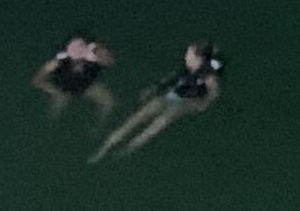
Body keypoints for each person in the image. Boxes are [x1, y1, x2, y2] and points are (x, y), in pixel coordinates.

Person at [90, 42, 222, 162]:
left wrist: (203, 104)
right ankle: (107, 145)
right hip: (169, 96)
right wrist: (153, 88)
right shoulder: (188, 67)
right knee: (138, 117)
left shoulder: (207, 75)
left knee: (157, 124)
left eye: (189, 54)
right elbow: (173, 78)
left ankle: (128, 149)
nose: (186, 56)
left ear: (198, 59)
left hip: (183, 102)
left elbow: (213, 92)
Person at [32, 35, 116, 120]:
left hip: (87, 86)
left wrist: (101, 53)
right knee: (54, 115)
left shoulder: (94, 52)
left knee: (109, 104)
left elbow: (109, 60)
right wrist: (53, 91)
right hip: (63, 90)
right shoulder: (60, 59)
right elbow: (37, 79)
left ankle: (98, 129)